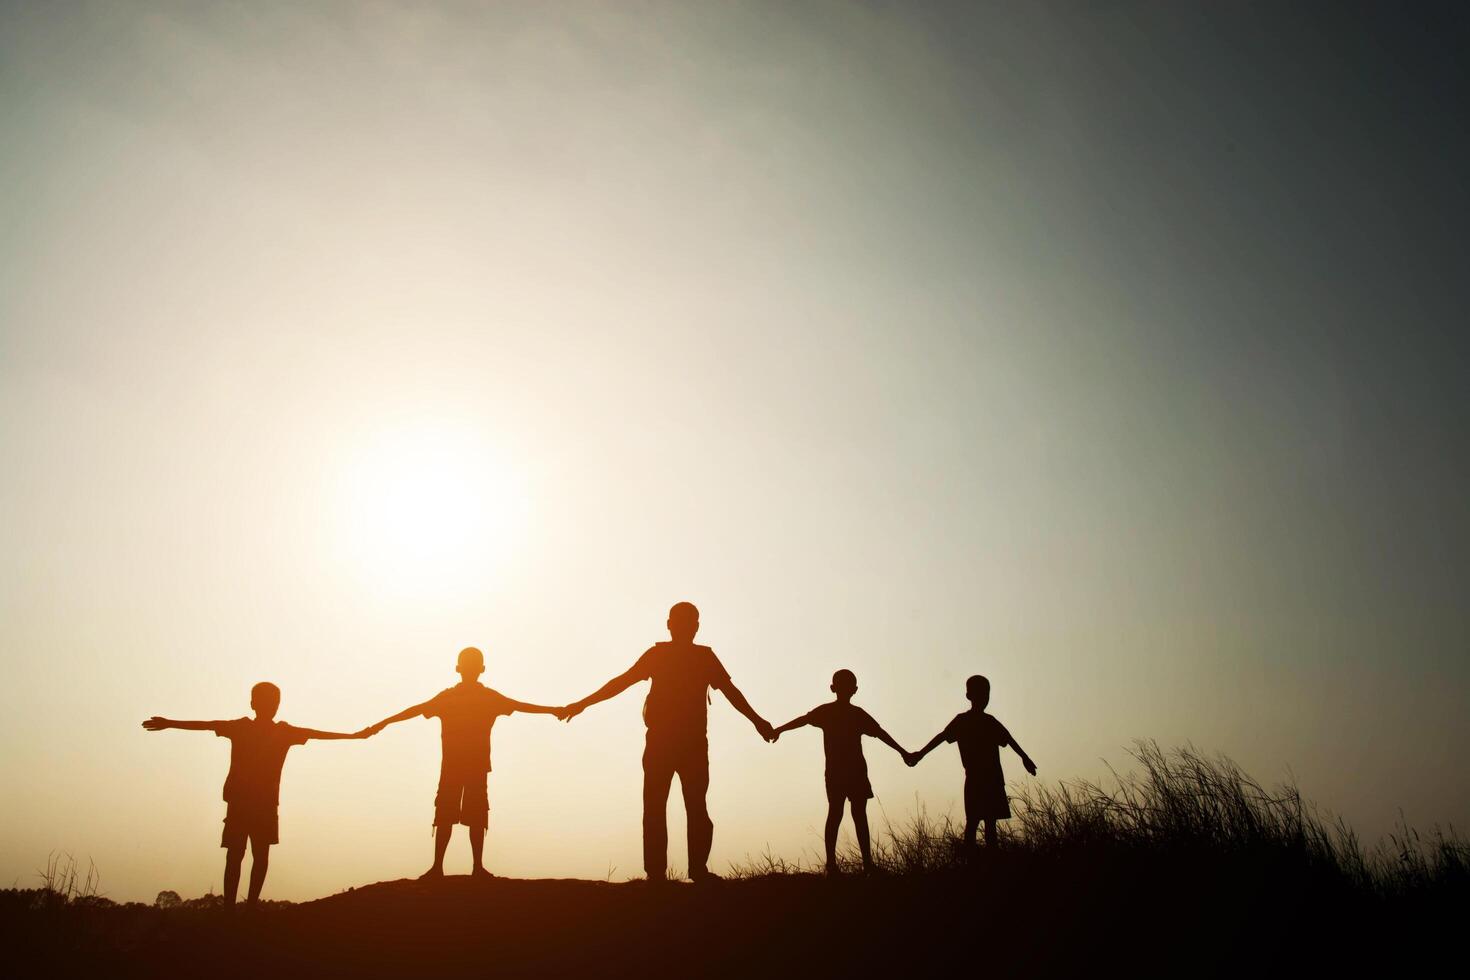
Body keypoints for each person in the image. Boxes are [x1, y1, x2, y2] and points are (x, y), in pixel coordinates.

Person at [560, 601, 773, 883]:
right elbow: (622, 682)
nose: (685, 627)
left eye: (687, 623)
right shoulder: (677, 656)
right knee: (675, 806)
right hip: (674, 742)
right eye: (683, 622)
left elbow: (621, 682)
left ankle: (671, 872)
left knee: (674, 806)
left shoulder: (690, 656)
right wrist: (583, 703)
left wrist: (757, 721)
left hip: (682, 743)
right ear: (675, 625)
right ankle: (675, 871)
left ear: (677, 625)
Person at [142, 682, 369, 904]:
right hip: (248, 803)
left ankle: (242, 906)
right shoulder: (263, 730)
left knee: (247, 856)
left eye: (274, 701)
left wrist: (355, 736)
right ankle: (240, 906)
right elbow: (207, 724)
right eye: (269, 701)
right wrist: (170, 723)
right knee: (246, 855)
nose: (272, 705)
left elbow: (318, 734)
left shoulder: (272, 730)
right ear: (254, 704)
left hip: (256, 803)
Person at [366, 646, 562, 878]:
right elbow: (521, 706)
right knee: (471, 814)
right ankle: (470, 867)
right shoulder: (484, 698)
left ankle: (443, 867)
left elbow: (416, 710)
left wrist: (383, 723)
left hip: (456, 767)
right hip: (471, 767)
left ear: (458, 668)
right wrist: (555, 710)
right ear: (482, 669)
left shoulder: (451, 698)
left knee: (450, 815)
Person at [771, 669, 914, 875]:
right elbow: (881, 734)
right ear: (855, 690)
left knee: (837, 814)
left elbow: (802, 720)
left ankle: (835, 864)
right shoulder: (855, 714)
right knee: (856, 815)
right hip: (852, 771)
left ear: (833, 688)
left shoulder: (830, 712)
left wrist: (778, 730)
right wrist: (903, 752)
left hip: (842, 772)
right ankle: (864, 864)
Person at [910, 674, 1037, 848]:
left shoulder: (989, 722)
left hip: (992, 779)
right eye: (980, 693)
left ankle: (988, 863)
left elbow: (1009, 739)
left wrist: (1025, 758)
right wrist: (921, 753)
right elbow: (942, 737)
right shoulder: (963, 721)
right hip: (976, 779)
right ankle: (972, 864)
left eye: (986, 694)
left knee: (990, 824)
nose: (984, 698)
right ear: (969, 696)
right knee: (973, 822)